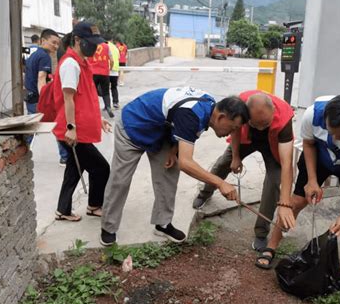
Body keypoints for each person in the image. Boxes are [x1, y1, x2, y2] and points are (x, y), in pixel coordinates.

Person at [257, 94, 340, 293]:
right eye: (332, 132)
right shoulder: (314, 114)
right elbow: (310, 144)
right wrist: (312, 181)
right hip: (319, 156)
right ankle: (271, 245)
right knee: (296, 201)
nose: (336, 139)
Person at [100, 87, 249, 246]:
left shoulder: (209, 107)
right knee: (120, 180)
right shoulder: (192, 113)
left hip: (159, 132)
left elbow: (183, 129)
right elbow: (187, 163)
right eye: (233, 128)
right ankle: (108, 227)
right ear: (221, 117)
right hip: (133, 125)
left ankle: (162, 223)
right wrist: (220, 182)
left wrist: (173, 149)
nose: (231, 133)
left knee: (169, 173)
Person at [193, 91, 296, 255]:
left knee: (274, 183)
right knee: (222, 164)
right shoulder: (240, 106)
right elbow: (234, 129)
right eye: (257, 125)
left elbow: (286, 164)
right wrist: (235, 156)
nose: (261, 128)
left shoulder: (284, 118)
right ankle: (205, 193)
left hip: (272, 144)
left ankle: (261, 232)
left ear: (273, 114)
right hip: (245, 139)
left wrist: (285, 202)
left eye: (265, 124)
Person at [52, 21, 112, 222]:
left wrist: (99, 118)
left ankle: (63, 210)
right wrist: (71, 128)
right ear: (77, 40)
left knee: (74, 169)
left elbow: (84, 98)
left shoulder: (81, 63)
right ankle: (94, 205)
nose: (95, 47)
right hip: (72, 132)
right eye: (91, 43)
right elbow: (68, 98)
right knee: (101, 168)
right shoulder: (70, 64)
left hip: (77, 129)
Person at [24, 29, 68, 165]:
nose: (55, 46)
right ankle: (65, 157)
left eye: (57, 44)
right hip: (38, 99)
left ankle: (21, 152)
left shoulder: (33, 55)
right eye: (53, 43)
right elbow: (41, 77)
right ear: (43, 40)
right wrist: (46, 100)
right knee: (58, 124)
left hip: (30, 97)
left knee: (32, 128)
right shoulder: (44, 56)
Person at [88, 41, 114, 118]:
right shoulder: (106, 46)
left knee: (92, 91)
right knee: (106, 91)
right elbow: (112, 60)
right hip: (104, 72)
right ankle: (108, 107)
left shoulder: (90, 45)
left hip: (93, 73)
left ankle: (93, 109)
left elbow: (86, 58)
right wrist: (110, 68)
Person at [105, 35, 120, 109]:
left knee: (106, 88)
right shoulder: (115, 48)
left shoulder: (105, 46)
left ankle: (107, 105)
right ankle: (115, 102)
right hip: (115, 71)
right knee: (114, 87)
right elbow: (118, 57)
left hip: (107, 70)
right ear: (112, 40)